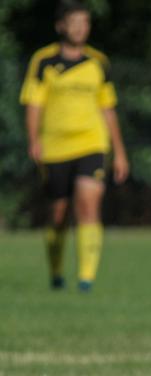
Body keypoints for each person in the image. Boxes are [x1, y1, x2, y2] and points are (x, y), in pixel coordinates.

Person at [19, 0, 129, 292]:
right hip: (55, 147)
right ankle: (56, 274)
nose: (81, 27)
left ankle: (86, 280)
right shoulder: (43, 60)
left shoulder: (98, 62)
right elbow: (33, 104)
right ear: (61, 26)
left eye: (85, 22)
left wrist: (119, 151)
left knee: (88, 204)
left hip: (92, 143)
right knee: (58, 214)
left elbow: (108, 108)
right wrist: (33, 140)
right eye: (75, 22)